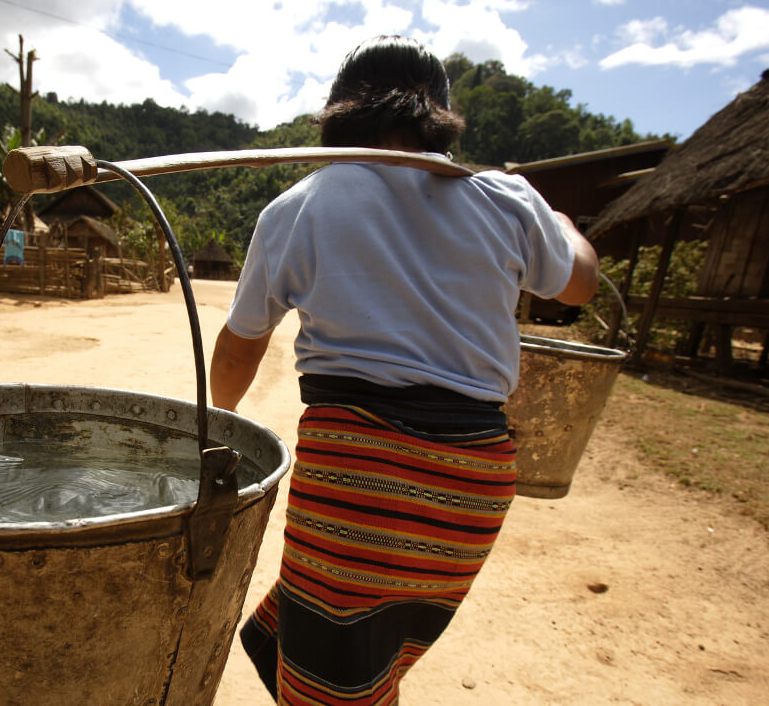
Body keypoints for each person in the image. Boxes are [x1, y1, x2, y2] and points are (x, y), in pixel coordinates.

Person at [209, 35, 598, 705]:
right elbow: (581, 284)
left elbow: (242, 344)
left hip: (357, 472)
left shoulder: (301, 203)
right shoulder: (507, 198)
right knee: (364, 648)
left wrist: (218, 424)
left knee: (333, 668)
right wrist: (562, 223)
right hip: (473, 482)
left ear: (339, 120)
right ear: (439, 119)